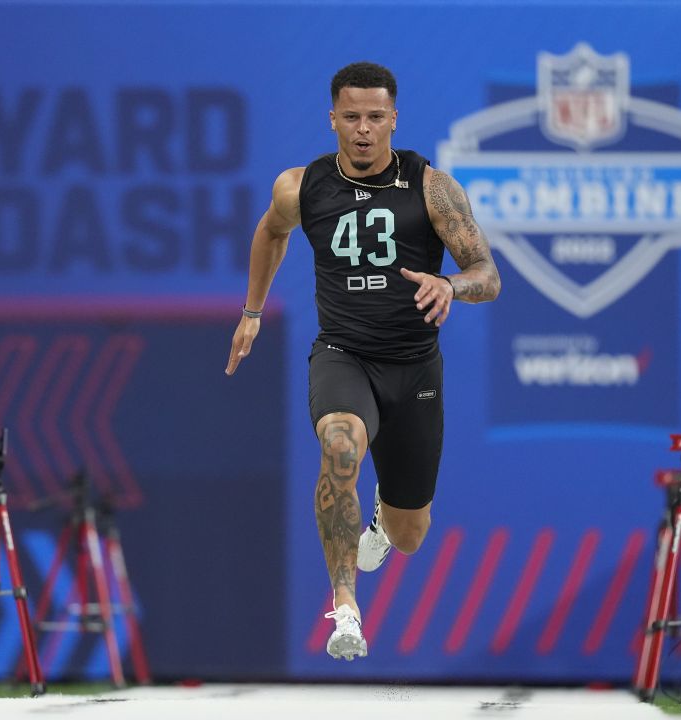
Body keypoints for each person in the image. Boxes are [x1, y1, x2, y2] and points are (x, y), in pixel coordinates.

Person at [224, 62, 501, 660]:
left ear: (394, 119)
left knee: (409, 536)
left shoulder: (432, 187)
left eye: (376, 117)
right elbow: (271, 233)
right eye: (351, 117)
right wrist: (252, 311)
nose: (364, 130)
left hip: (413, 365)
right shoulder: (301, 186)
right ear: (332, 120)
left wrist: (452, 286)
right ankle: (345, 607)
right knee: (341, 443)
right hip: (343, 354)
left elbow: (489, 275)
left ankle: (381, 520)